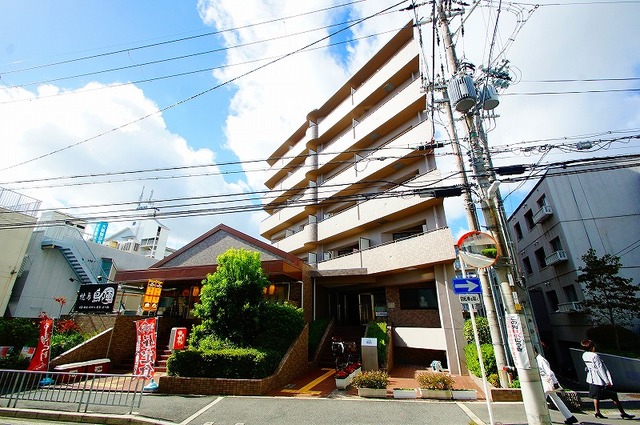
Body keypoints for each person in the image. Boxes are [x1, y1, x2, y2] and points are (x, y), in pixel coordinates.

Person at [581, 339, 635, 420]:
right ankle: (622, 413)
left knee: (596, 396)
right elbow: (601, 369)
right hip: (600, 379)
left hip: (592, 378)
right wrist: (607, 381)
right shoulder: (595, 356)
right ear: (591, 347)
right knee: (613, 396)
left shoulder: (584, 355)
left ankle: (597, 411)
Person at [535, 346, 579, 424]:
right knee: (556, 399)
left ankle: (539, 418)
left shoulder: (541, 360)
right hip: (547, 383)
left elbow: (550, 373)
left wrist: (555, 383)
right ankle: (569, 417)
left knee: (541, 401)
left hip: (546, 382)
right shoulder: (537, 360)